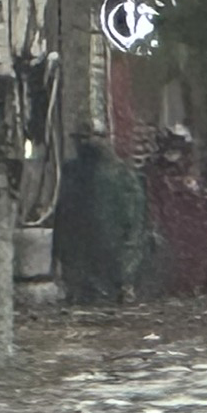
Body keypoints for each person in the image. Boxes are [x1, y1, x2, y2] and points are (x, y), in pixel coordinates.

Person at [52, 130, 150, 303]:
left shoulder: (120, 172)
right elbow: (64, 208)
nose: (85, 142)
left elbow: (134, 210)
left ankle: (108, 290)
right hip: (89, 238)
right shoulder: (74, 170)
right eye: (81, 138)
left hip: (106, 238)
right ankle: (94, 291)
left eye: (92, 137)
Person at [143, 125, 207, 297]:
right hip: (171, 224)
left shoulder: (188, 170)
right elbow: (154, 199)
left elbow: (198, 194)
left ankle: (198, 284)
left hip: (191, 223)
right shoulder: (155, 171)